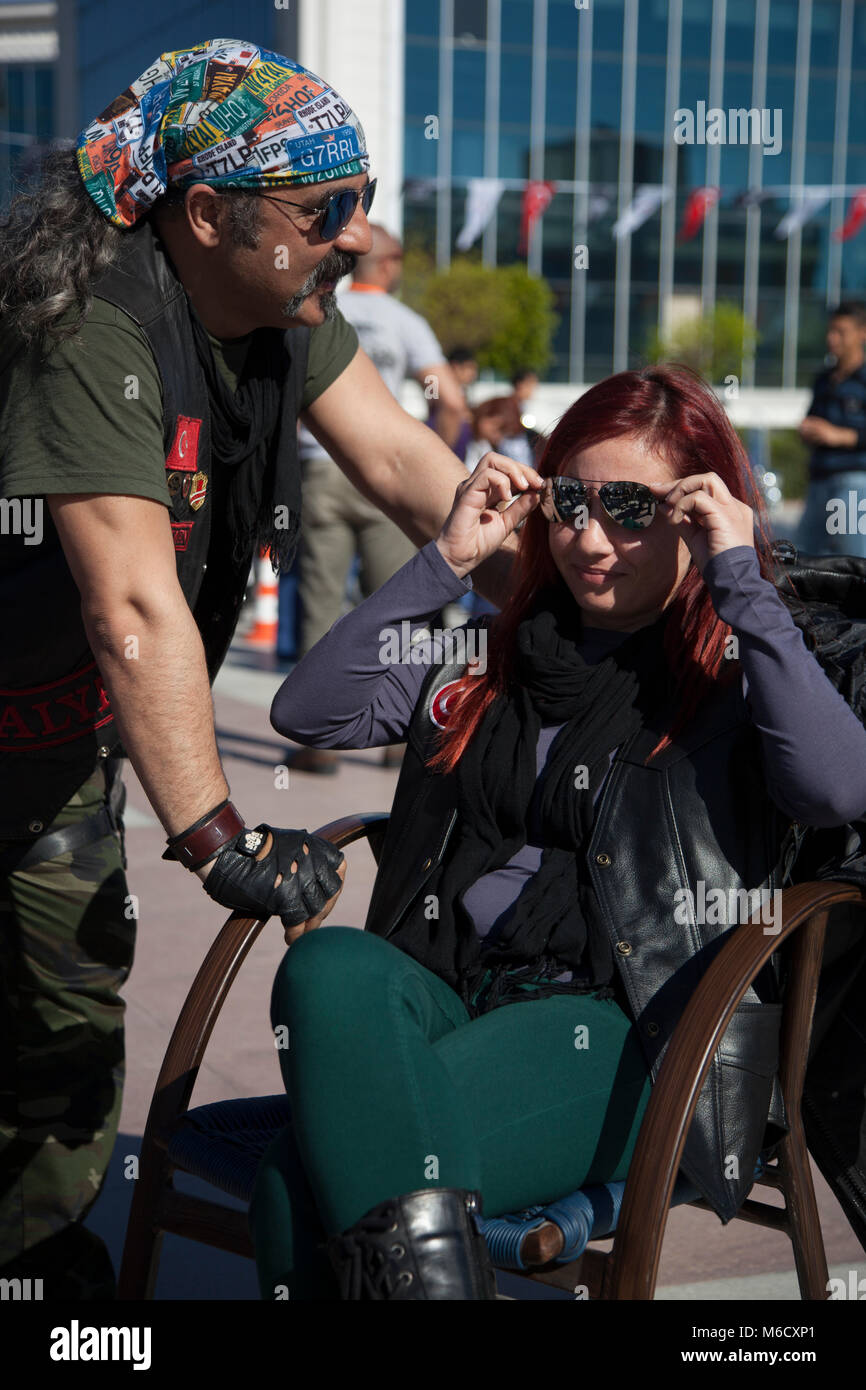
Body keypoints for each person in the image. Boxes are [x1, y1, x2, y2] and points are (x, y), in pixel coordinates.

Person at [0, 38, 515, 1299]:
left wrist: (564, 599)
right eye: (323, 210)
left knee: (63, 1007)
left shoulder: (288, 314)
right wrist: (214, 829)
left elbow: (404, 468)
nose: (352, 235)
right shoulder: (91, 327)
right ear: (208, 212)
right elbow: (130, 602)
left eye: (364, 204)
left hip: (50, 736)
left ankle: (37, 1262)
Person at [251, 364, 866, 1299]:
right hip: (452, 994)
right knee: (329, 967)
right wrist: (445, 561)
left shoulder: (738, 667)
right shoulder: (501, 652)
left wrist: (740, 575)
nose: (589, 537)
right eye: (569, 500)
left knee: (294, 1187)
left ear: (698, 513)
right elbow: (311, 711)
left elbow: (835, 787)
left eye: (629, 507)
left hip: (630, 1031)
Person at [290, 224, 466, 773]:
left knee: (320, 598)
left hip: (319, 466)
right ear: (388, 266)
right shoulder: (405, 321)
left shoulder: (320, 305)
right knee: (399, 604)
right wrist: (438, 446)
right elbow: (452, 400)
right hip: (390, 470)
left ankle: (317, 744)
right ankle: (397, 735)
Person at [796, 300, 866, 560]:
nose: (832, 338)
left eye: (841, 332)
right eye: (830, 331)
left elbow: (835, 432)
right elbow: (813, 419)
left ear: (862, 333)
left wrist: (837, 435)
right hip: (819, 481)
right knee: (801, 558)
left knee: (853, 562)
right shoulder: (823, 379)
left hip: (854, 482)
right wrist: (808, 430)